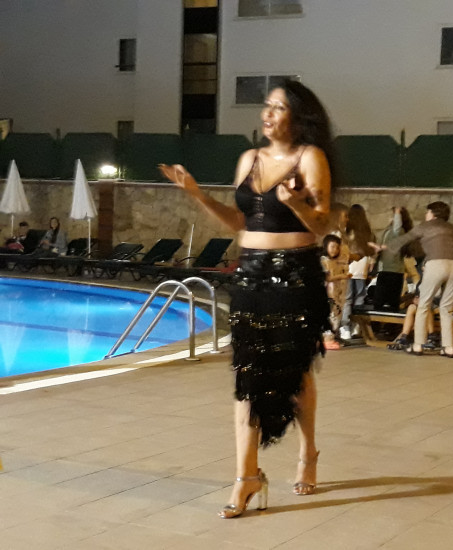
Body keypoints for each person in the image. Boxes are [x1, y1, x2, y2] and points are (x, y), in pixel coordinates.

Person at [159, 80, 333, 518]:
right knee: (247, 373)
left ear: (297, 115)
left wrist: (295, 203)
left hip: (295, 274)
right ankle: (246, 476)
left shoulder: (310, 157)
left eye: (278, 107)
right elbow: (239, 222)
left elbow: (321, 224)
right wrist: (197, 193)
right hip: (251, 272)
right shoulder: (248, 159)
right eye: (266, 106)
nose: (267, 114)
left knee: (296, 371)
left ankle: (308, 452)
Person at [374, 201, 453, 358]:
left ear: (432, 213)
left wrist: (383, 247)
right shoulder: (452, 228)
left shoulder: (426, 226)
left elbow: (405, 238)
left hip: (437, 263)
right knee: (447, 307)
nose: (426, 215)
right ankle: (449, 347)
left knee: (423, 304)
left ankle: (418, 345)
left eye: (427, 212)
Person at [340, 203, 375, 339]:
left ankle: (345, 327)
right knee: (360, 298)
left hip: (349, 267)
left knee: (347, 299)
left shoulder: (348, 231)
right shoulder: (367, 232)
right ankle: (357, 326)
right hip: (362, 268)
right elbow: (372, 251)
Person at [372, 206, 414, 310]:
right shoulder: (390, 231)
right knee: (386, 301)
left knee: (384, 302)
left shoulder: (398, 231)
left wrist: (397, 211)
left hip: (391, 270)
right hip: (389, 269)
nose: (389, 217)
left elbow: (397, 226)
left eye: (393, 215)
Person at [321, 234, 351, 349]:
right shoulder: (324, 260)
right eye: (332, 247)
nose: (335, 250)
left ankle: (332, 337)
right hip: (328, 293)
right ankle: (327, 340)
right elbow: (327, 278)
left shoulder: (334, 261)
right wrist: (341, 276)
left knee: (337, 314)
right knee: (330, 315)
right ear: (326, 246)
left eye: (337, 247)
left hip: (337, 293)